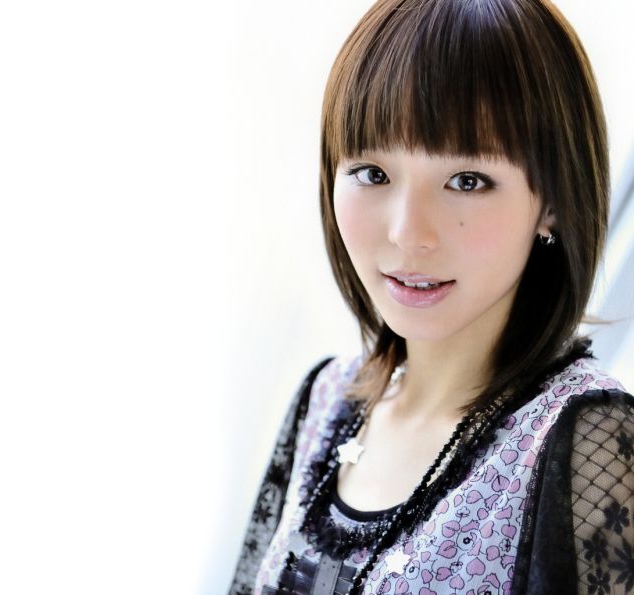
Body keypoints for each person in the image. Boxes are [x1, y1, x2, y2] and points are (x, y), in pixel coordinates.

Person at [228, 0, 633, 594]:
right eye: (372, 173)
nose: (408, 234)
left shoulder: (586, 440)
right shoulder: (326, 402)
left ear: (551, 201)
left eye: (467, 181)